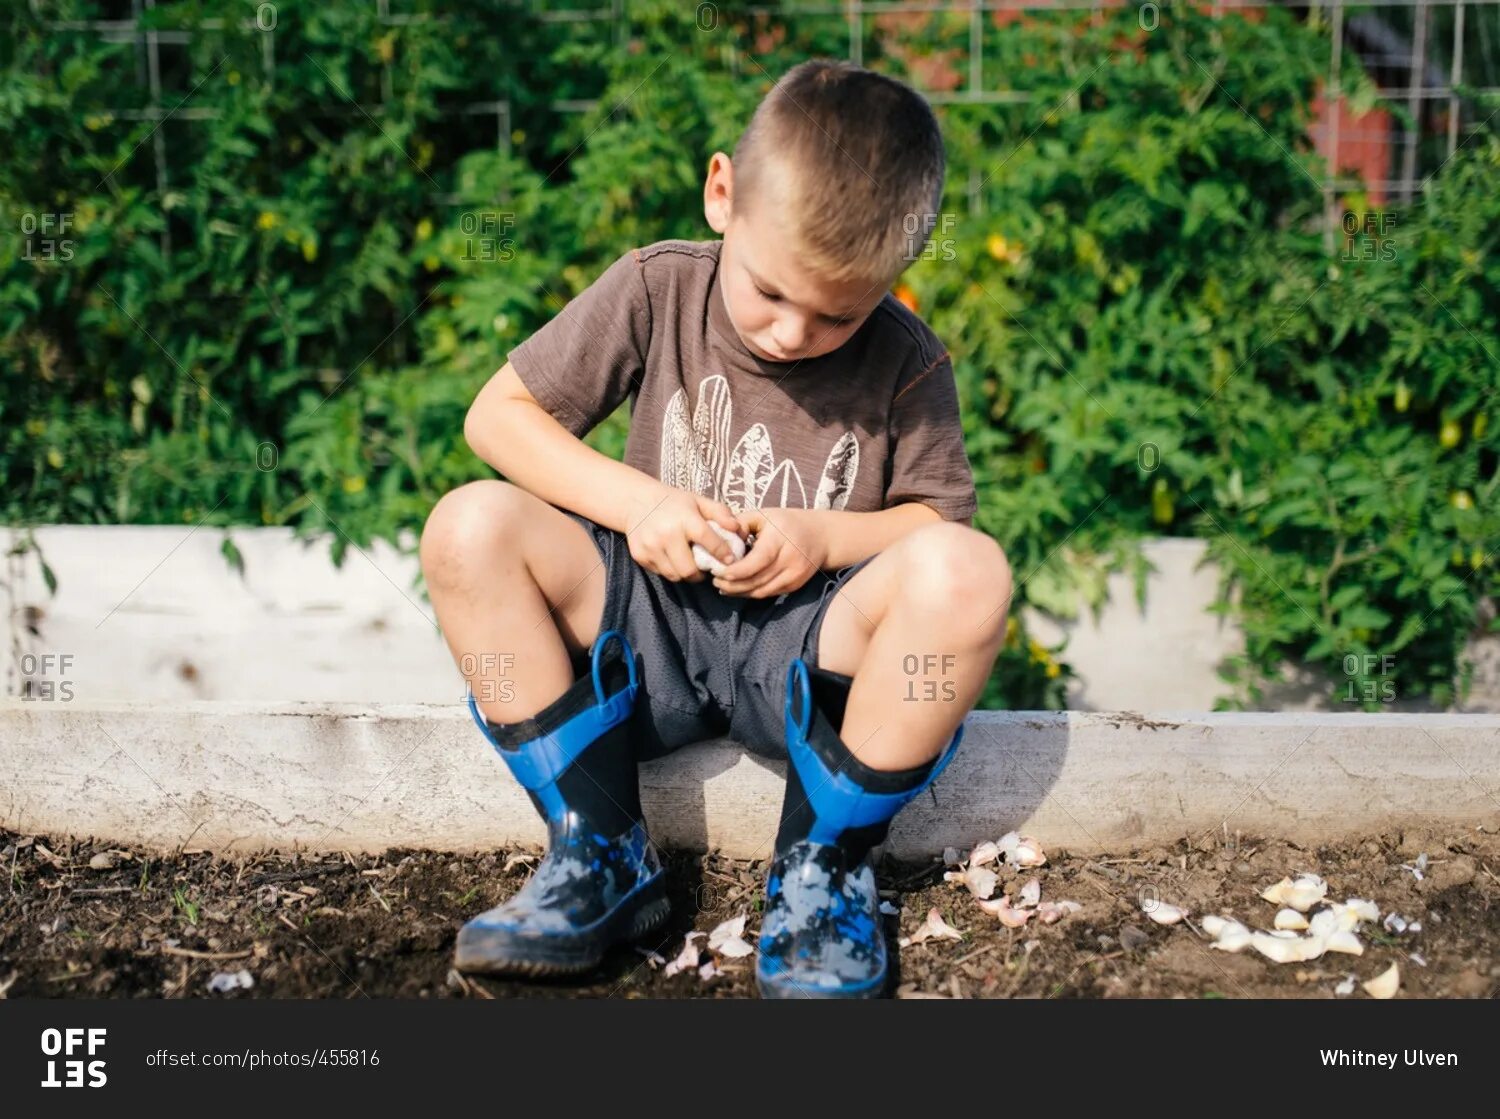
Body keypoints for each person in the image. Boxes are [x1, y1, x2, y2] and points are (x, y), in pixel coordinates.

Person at [420, 58, 1012, 999]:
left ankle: (825, 868)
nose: (791, 333)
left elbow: (940, 525)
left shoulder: (906, 359)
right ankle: (599, 846)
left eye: (839, 313)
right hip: (642, 634)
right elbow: (497, 418)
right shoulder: (658, 288)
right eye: (771, 292)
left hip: (807, 666)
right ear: (721, 195)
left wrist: (822, 540)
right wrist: (640, 505)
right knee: (466, 528)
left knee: (971, 574)